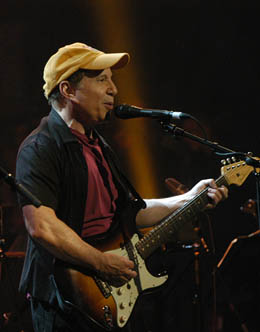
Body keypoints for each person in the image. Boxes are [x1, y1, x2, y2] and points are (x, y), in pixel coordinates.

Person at [15, 42, 228, 332]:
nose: (113, 89)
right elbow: (42, 226)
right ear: (67, 90)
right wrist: (101, 263)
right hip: (64, 302)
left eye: (112, 80)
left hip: (108, 297)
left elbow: (129, 213)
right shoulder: (40, 147)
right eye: (102, 79)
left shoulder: (98, 146)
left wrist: (191, 198)